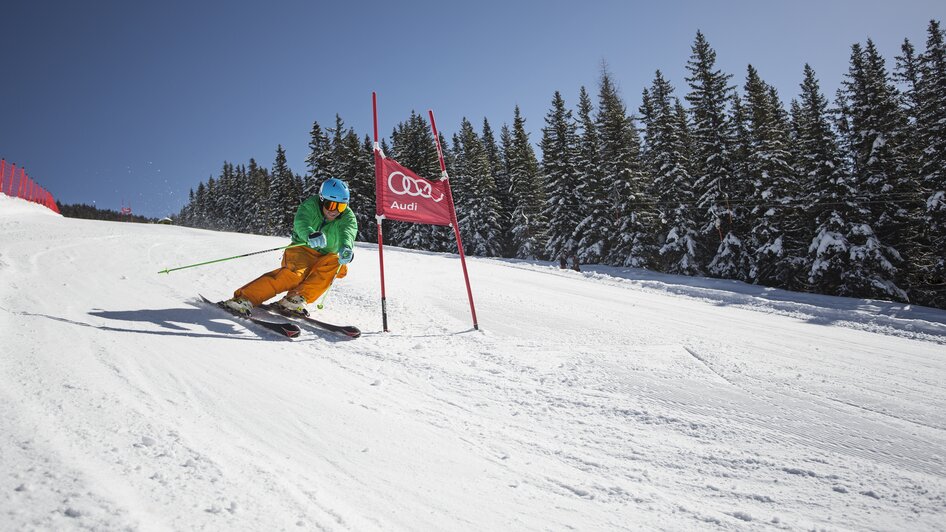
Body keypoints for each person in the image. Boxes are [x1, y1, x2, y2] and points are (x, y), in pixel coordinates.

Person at [224, 177, 357, 316]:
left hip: (326, 256)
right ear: (322, 199)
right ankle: (243, 299)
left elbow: (348, 232)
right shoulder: (310, 205)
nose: (334, 211)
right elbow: (301, 222)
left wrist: (346, 248)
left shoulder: (347, 216)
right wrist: (310, 234)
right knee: (293, 275)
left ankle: (295, 298)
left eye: (340, 206)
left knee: (337, 264)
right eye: (330, 205)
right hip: (302, 249)